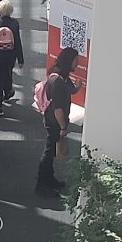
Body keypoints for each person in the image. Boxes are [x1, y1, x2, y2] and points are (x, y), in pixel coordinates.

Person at [35, 47, 81, 198]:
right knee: (49, 152)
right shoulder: (58, 82)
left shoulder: (60, 76)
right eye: (76, 61)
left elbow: (69, 90)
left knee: (52, 151)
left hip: (53, 120)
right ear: (69, 61)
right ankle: (42, 184)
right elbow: (58, 109)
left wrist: (77, 88)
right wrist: (63, 127)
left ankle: (49, 179)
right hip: (54, 122)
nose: (77, 63)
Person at [0, 0, 24, 114]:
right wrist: (20, 59)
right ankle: (8, 91)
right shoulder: (14, 24)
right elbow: (17, 41)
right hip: (10, 56)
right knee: (7, 73)